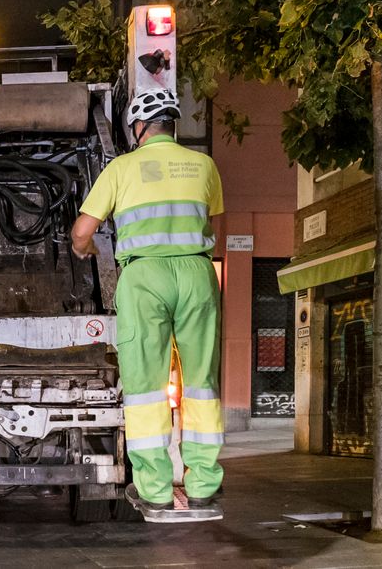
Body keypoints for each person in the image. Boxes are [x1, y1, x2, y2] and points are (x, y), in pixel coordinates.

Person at [70, 89, 225, 522]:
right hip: (196, 273)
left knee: (144, 387)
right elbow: (209, 217)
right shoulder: (204, 165)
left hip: (144, 278)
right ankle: (203, 487)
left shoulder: (122, 168)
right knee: (200, 383)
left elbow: (83, 230)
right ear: (172, 126)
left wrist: (85, 250)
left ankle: (155, 490)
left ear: (137, 127)